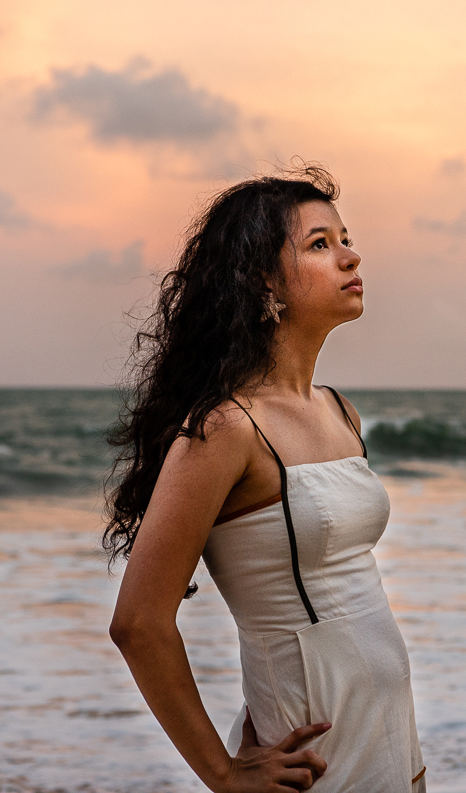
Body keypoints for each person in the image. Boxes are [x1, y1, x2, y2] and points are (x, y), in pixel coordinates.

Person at [105, 165, 426, 792]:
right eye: (319, 244)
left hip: (390, 728)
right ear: (263, 281)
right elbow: (138, 622)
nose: (350, 256)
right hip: (314, 753)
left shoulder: (338, 410)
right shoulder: (226, 428)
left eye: (345, 239)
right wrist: (223, 773)